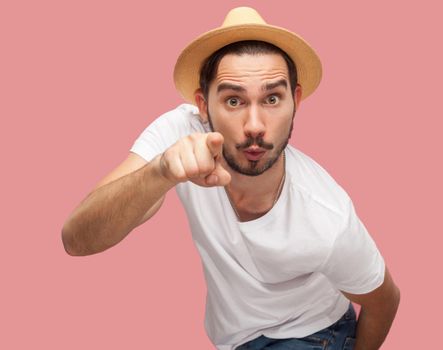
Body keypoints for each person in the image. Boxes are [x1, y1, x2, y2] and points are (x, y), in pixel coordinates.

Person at [61, 6, 400, 350]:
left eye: (272, 98)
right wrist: (159, 172)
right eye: (234, 100)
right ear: (203, 106)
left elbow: (384, 300)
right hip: (236, 339)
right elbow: (77, 239)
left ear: (295, 101)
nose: (254, 125)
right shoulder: (179, 133)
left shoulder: (327, 215)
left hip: (314, 335)